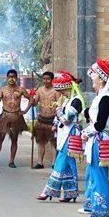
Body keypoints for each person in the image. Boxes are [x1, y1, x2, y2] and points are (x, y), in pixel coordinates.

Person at [81, 60, 109, 217]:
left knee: (100, 178)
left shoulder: (105, 97)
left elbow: (100, 124)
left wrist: (86, 132)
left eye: (94, 75)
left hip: (99, 141)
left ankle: (102, 215)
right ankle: (98, 213)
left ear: (102, 78)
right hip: (96, 140)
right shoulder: (102, 96)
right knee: (96, 177)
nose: (92, 78)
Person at [35, 72, 84, 202]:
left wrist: (58, 111)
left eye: (63, 90)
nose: (62, 93)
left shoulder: (77, 101)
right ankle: (70, 192)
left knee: (60, 161)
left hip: (71, 135)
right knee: (69, 164)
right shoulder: (68, 100)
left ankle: (49, 190)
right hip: (65, 134)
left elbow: (67, 120)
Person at [0, 69, 28, 168]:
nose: (11, 79)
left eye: (13, 77)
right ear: (7, 78)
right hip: (4, 117)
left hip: (16, 117)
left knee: (14, 140)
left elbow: (31, 99)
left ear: (16, 78)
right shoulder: (2, 90)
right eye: (9, 77)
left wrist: (25, 110)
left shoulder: (21, 89)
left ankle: (12, 161)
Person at [31, 71, 63, 169]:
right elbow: (35, 103)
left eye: (48, 79)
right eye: (44, 79)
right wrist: (32, 100)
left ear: (52, 80)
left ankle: (54, 163)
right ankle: (40, 162)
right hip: (41, 119)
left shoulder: (56, 91)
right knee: (40, 142)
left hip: (53, 120)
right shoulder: (39, 90)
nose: (46, 81)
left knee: (53, 142)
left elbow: (59, 105)